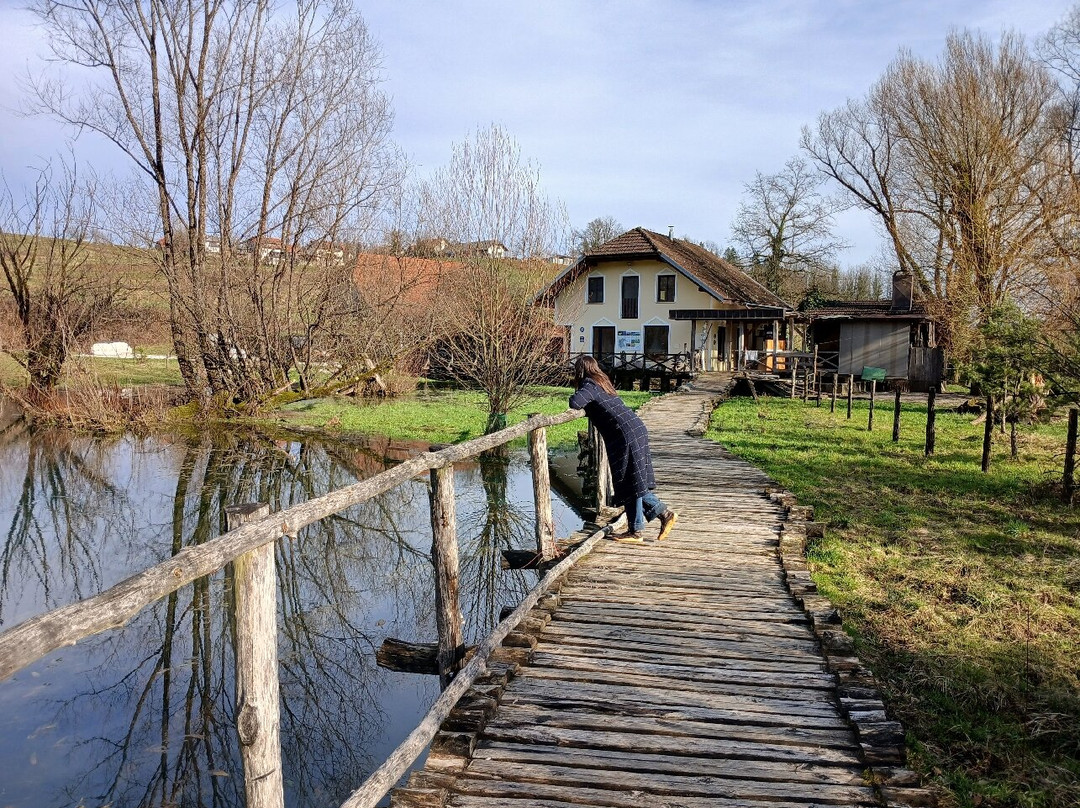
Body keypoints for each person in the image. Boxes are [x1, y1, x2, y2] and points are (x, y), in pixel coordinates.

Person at [569, 355, 678, 543]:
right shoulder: (603, 382)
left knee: (630, 480)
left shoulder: (589, 383)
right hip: (634, 429)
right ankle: (643, 526)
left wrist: (575, 391)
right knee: (632, 480)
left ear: (580, 371)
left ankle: (651, 521)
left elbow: (575, 403)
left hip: (625, 435)